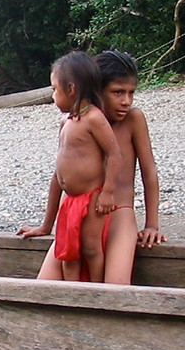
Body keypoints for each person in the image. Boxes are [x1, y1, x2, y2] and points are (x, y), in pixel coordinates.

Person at [20, 50, 163, 284]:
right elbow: (60, 175)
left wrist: (152, 225)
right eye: (117, 92)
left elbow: (149, 172)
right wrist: (47, 225)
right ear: (96, 89)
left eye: (131, 93)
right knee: (45, 285)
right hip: (78, 213)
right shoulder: (74, 122)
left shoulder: (133, 119)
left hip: (118, 213)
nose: (126, 101)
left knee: (115, 288)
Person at [16, 51, 120, 282]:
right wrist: (45, 225)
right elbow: (59, 174)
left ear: (71, 88)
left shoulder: (94, 118)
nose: (53, 96)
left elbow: (114, 154)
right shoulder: (67, 121)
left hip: (91, 198)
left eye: (55, 89)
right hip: (69, 201)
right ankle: (71, 295)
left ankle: (96, 292)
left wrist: (108, 192)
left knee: (92, 249)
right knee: (68, 253)